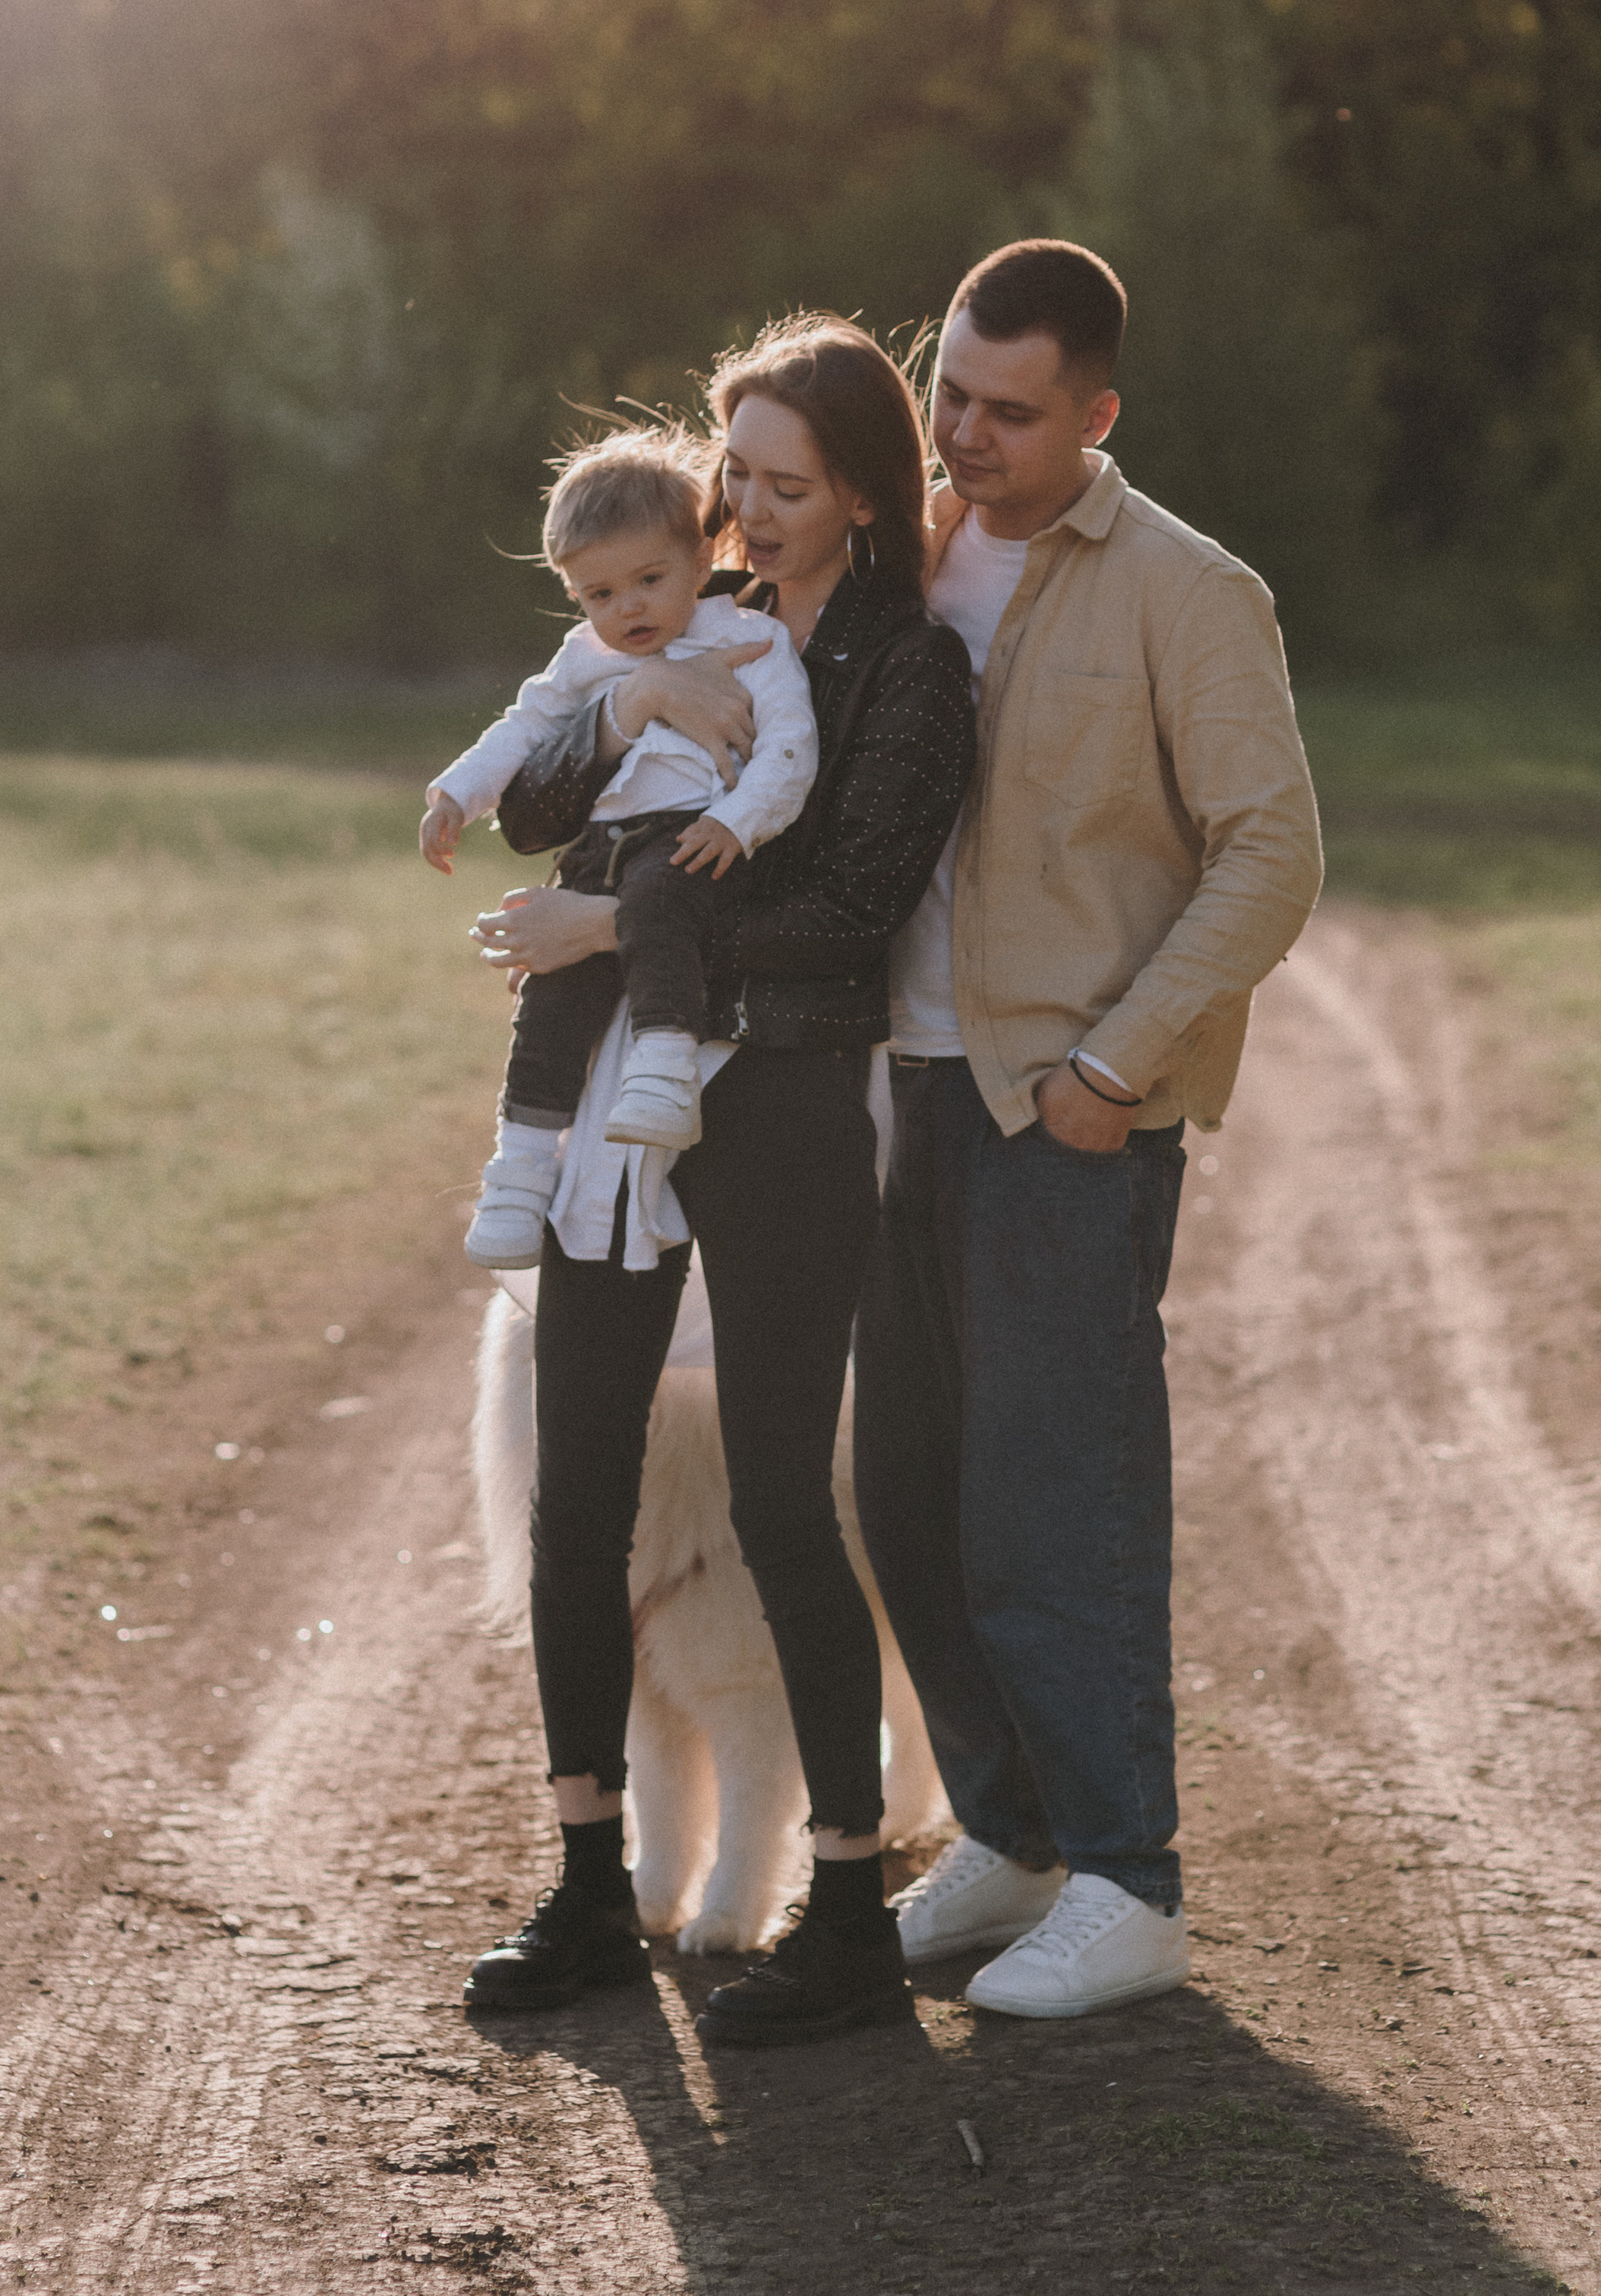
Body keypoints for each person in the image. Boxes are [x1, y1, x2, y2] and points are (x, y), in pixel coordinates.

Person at [458, 321, 976, 2047]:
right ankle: (589, 1879)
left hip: (788, 1113)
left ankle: (840, 1898)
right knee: (573, 1500)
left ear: (857, 487)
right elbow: (537, 799)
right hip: (618, 1105)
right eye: (728, 471)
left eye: (777, 480)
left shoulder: (908, 671)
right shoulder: (678, 606)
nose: (738, 504)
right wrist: (634, 691)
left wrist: (614, 922)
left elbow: (849, 911)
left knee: (774, 1503)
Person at [853, 238, 1323, 2020]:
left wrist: (1111, 1069)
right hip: (894, 1091)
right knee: (905, 1494)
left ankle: (1129, 1880)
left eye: (1008, 409)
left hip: (1060, 1116)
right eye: (948, 392)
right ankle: (1011, 1825)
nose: (964, 432)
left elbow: (1270, 851)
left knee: (1056, 1500)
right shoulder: (900, 546)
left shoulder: (1188, 592)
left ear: (1096, 413)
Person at [420, 426, 820, 1261]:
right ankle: (520, 1171)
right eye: (598, 595)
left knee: (661, 899)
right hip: (601, 844)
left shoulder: (747, 639)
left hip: (695, 836)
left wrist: (736, 821)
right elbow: (525, 726)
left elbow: (790, 748)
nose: (627, 610)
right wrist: (457, 792)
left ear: (700, 554)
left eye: (648, 580)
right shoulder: (586, 658)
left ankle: (665, 1068)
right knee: (554, 997)